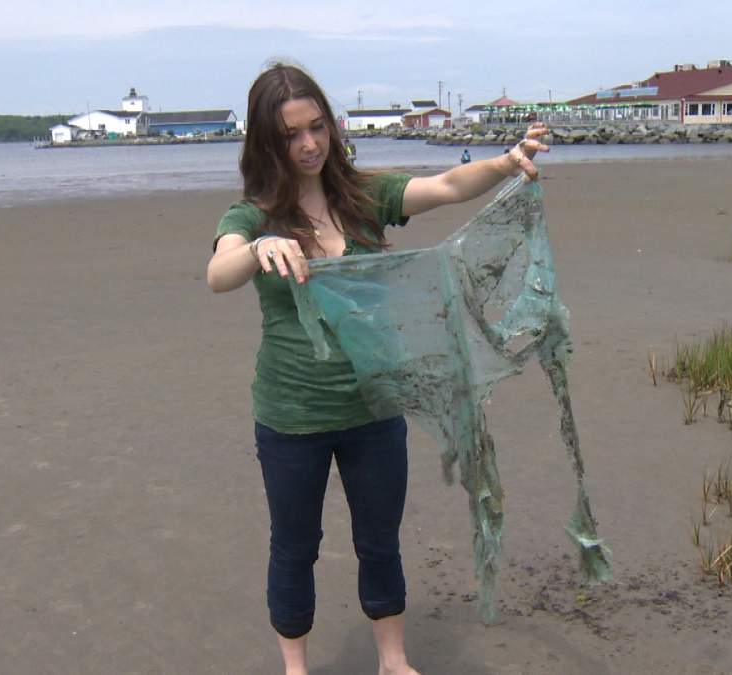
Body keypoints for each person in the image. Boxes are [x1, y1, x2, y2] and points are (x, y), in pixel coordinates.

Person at [206, 62, 547, 675]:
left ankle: (393, 661)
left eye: (317, 127)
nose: (308, 144)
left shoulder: (364, 198)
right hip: (293, 417)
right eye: (290, 134)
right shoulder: (252, 216)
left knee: (379, 541)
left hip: (374, 408)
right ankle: (295, 668)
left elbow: (443, 185)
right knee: (294, 547)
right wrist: (260, 249)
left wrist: (502, 164)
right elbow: (218, 273)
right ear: (266, 141)